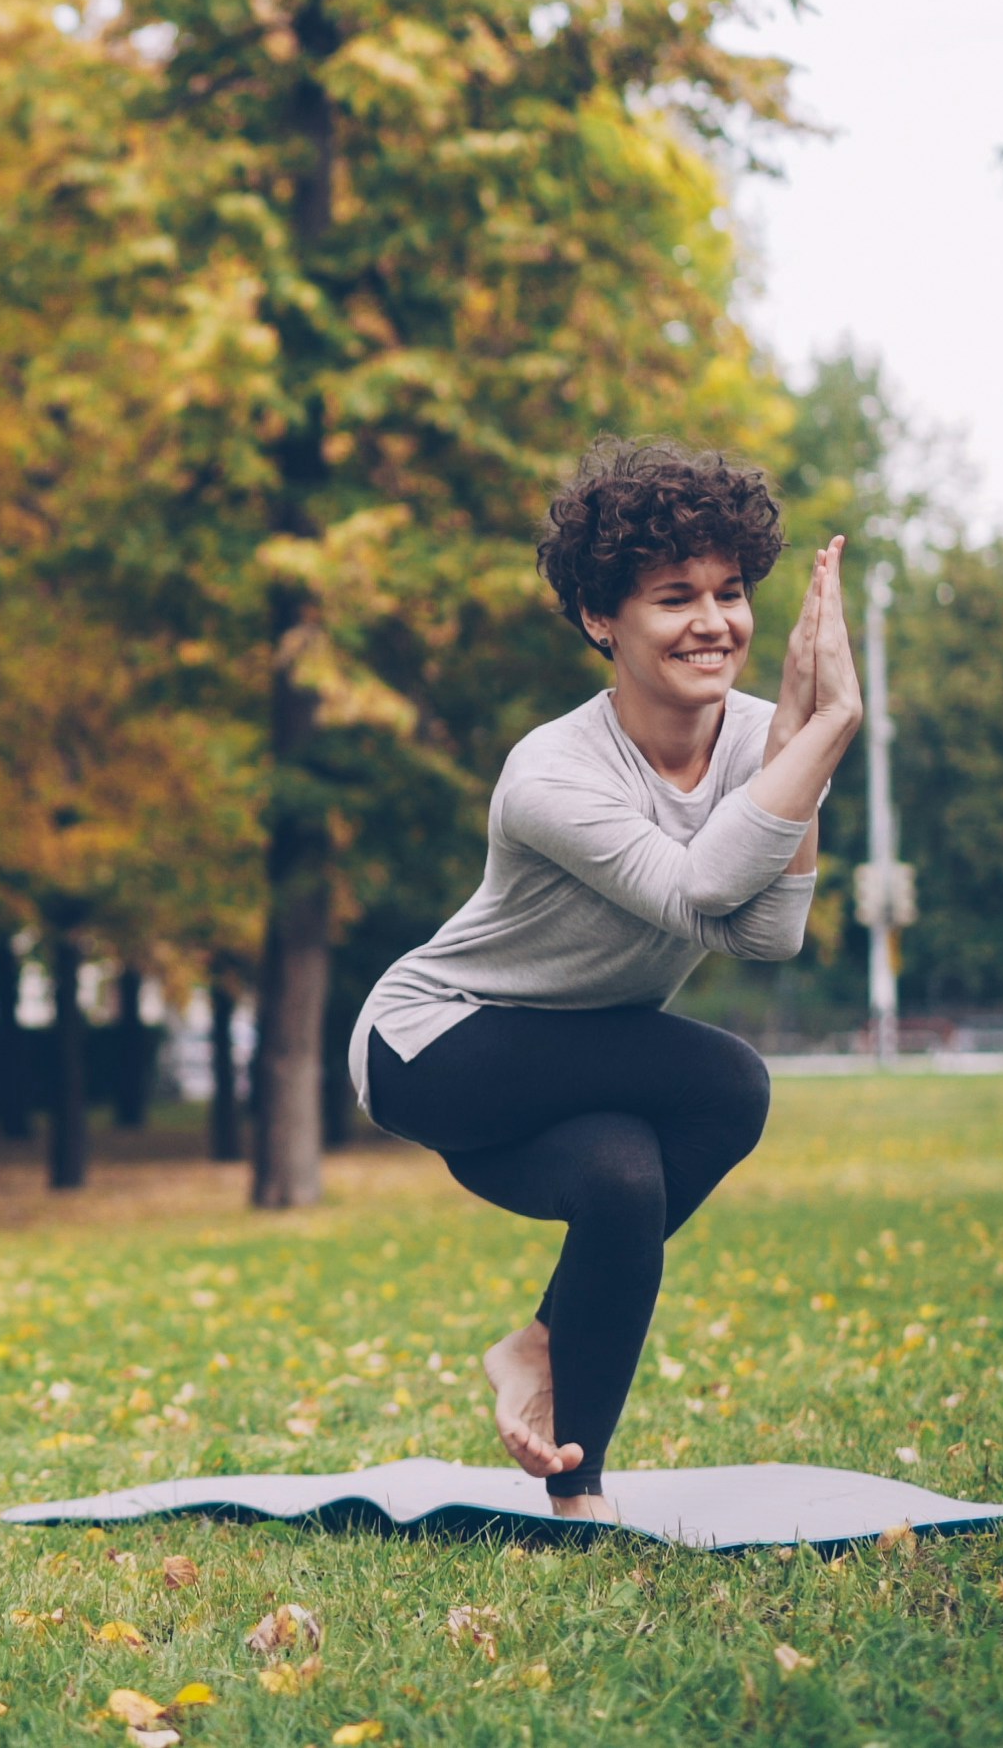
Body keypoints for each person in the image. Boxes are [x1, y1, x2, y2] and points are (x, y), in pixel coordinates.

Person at [347, 439, 862, 1522]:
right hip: (434, 1047)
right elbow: (693, 893)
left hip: (570, 1061)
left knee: (623, 1180)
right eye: (673, 596)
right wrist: (822, 735)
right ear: (598, 617)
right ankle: (543, 1355)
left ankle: (569, 1482)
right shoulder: (551, 771)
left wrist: (796, 746)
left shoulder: (764, 738)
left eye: (729, 592)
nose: (711, 621)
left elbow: (766, 932)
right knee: (724, 1082)